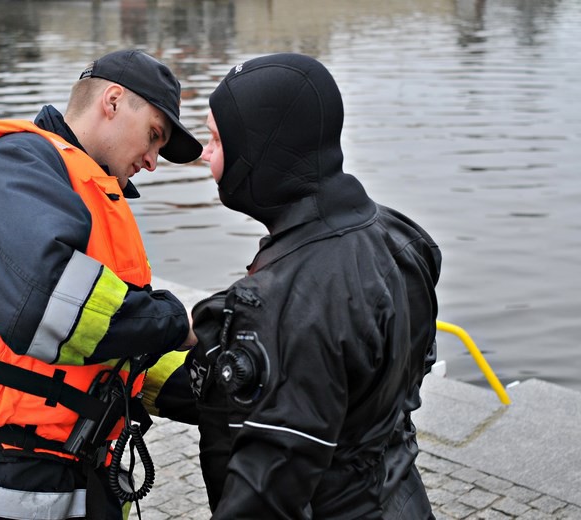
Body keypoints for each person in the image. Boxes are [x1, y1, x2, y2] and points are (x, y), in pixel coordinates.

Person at [0, 49, 202, 520]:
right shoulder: (13, 162)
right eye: (153, 135)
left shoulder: (86, 187)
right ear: (112, 101)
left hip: (74, 471)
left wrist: (213, 373)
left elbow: (116, 336)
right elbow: (50, 305)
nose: (153, 161)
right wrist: (174, 321)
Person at [186, 53, 441, 519]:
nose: (205, 153)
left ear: (261, 150)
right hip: (401, 498)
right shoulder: (403, 237)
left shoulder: (284, 302)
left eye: (218, 139)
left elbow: (269, 487)